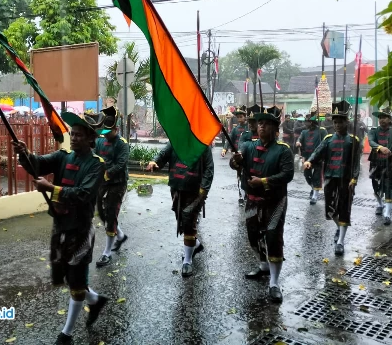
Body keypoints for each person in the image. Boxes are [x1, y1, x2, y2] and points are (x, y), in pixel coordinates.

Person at [12, 112, 108, 345]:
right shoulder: (63, 156)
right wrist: (24, 153)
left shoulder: (96, 165)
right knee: (65, 274)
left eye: (78, 135)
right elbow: (39, 164)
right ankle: (95, 300)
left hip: (81, 231)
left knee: (76, 280)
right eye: (72, 133)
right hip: (61, 227)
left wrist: (51, 189)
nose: (73, 138)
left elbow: (84, 194)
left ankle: (66, 334)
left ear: (90, 139)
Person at [230, 105, 294, 303]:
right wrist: (236, 160)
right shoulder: (248, 146)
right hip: (252, 201)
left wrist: (264, 181)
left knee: (273, 237)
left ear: (275, 129)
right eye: (260, 123)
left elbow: (287, 174)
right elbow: (235, 165)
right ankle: (263, 266)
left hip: (274, 202)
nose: (262, 127)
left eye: (266, 124)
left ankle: (274, 282)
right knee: (253, 235)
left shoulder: (283, 150)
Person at [146, 143, 214, 277]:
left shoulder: (203, 145)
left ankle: (187, 261)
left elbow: (209, 169)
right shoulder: (175, 140)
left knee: (188, 220)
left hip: (195, 190)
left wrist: (203, 189)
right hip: (176, 188)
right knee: (182, 220)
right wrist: (154, 161)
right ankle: (196, 244)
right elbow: (163, 154)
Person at [303, 101, 361, 256]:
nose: (337, 125)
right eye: (335, 122)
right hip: (329, 178)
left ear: (346, 122)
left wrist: (354, 178)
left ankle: (341, 241)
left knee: (344, 208)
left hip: (345, 180)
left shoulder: (353, 140)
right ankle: (339, 226)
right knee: (330, 210)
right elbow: (317, 152)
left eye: (340, 122)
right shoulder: (328, 139)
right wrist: (309, 161)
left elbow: (356, 162)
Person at [94, 107, 130, 267]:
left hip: (118, 183)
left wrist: (107, 173)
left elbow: (121, 164)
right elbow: (95, 156)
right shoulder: (100, 140)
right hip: (102, 181)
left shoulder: (122, 144)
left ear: (116, 129)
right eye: (104, 131)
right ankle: (120, 235)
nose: (106, 134)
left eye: (109, 131)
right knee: (101, 211)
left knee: (110, 212)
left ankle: (107, 253)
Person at [368, 107, 392, 225]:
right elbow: (371, 142)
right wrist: (380, 148)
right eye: (380, 117)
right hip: (375, 162)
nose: (382, 120)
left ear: (390, 119)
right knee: (375, 185)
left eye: (384, 117)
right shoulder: (373, 131)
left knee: (388, 187)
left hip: (389, 163)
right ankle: (380, 204)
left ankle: (387, 214)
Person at [296, 113, 327, 204]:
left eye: (307, 122)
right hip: (307, 157)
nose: (305, 123)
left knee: (317, 176)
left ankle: (315, 196)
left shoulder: (322, 131)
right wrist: (298, 142)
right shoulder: (304, 132)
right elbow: (299, 139)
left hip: (318, 158)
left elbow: (326, 141)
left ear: (312, 122)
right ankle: (313, 187)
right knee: (307, 175)